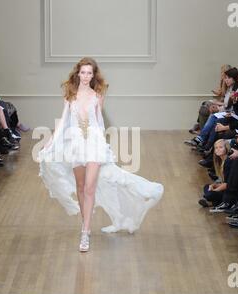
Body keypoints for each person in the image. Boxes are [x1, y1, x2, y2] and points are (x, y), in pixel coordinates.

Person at [38, 57, 163, 252]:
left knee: (89, 188)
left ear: (93, 75)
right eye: (83, 72)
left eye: (89, 73)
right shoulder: (70, 94)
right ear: (77, 73)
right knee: (80, 186)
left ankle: (85, 233)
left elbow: (99, 121)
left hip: (94, 143)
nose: (86, 76)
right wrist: (52, 141)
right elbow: (63, 120)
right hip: (75, 143)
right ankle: (85, 222)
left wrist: (104, 144)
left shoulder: (98, 94)